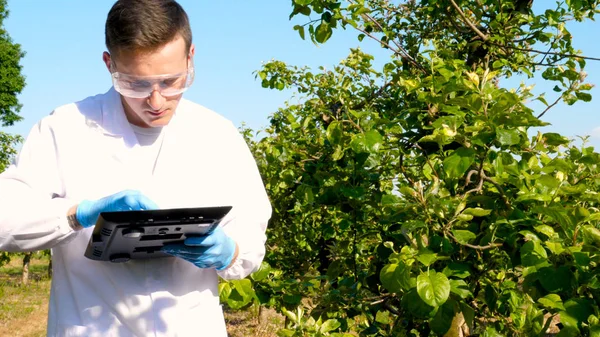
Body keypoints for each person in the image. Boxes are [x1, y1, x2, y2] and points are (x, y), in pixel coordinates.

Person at [0, 0, 272, 336]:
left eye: (172, 81)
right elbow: (4, 222)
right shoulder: (64, 129)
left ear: (191, 58)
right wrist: (76, 214)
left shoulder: (218, 135)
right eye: (136, 84)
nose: (156, 102)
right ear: (108, 64)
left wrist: (228, 252)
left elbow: (250, 242)